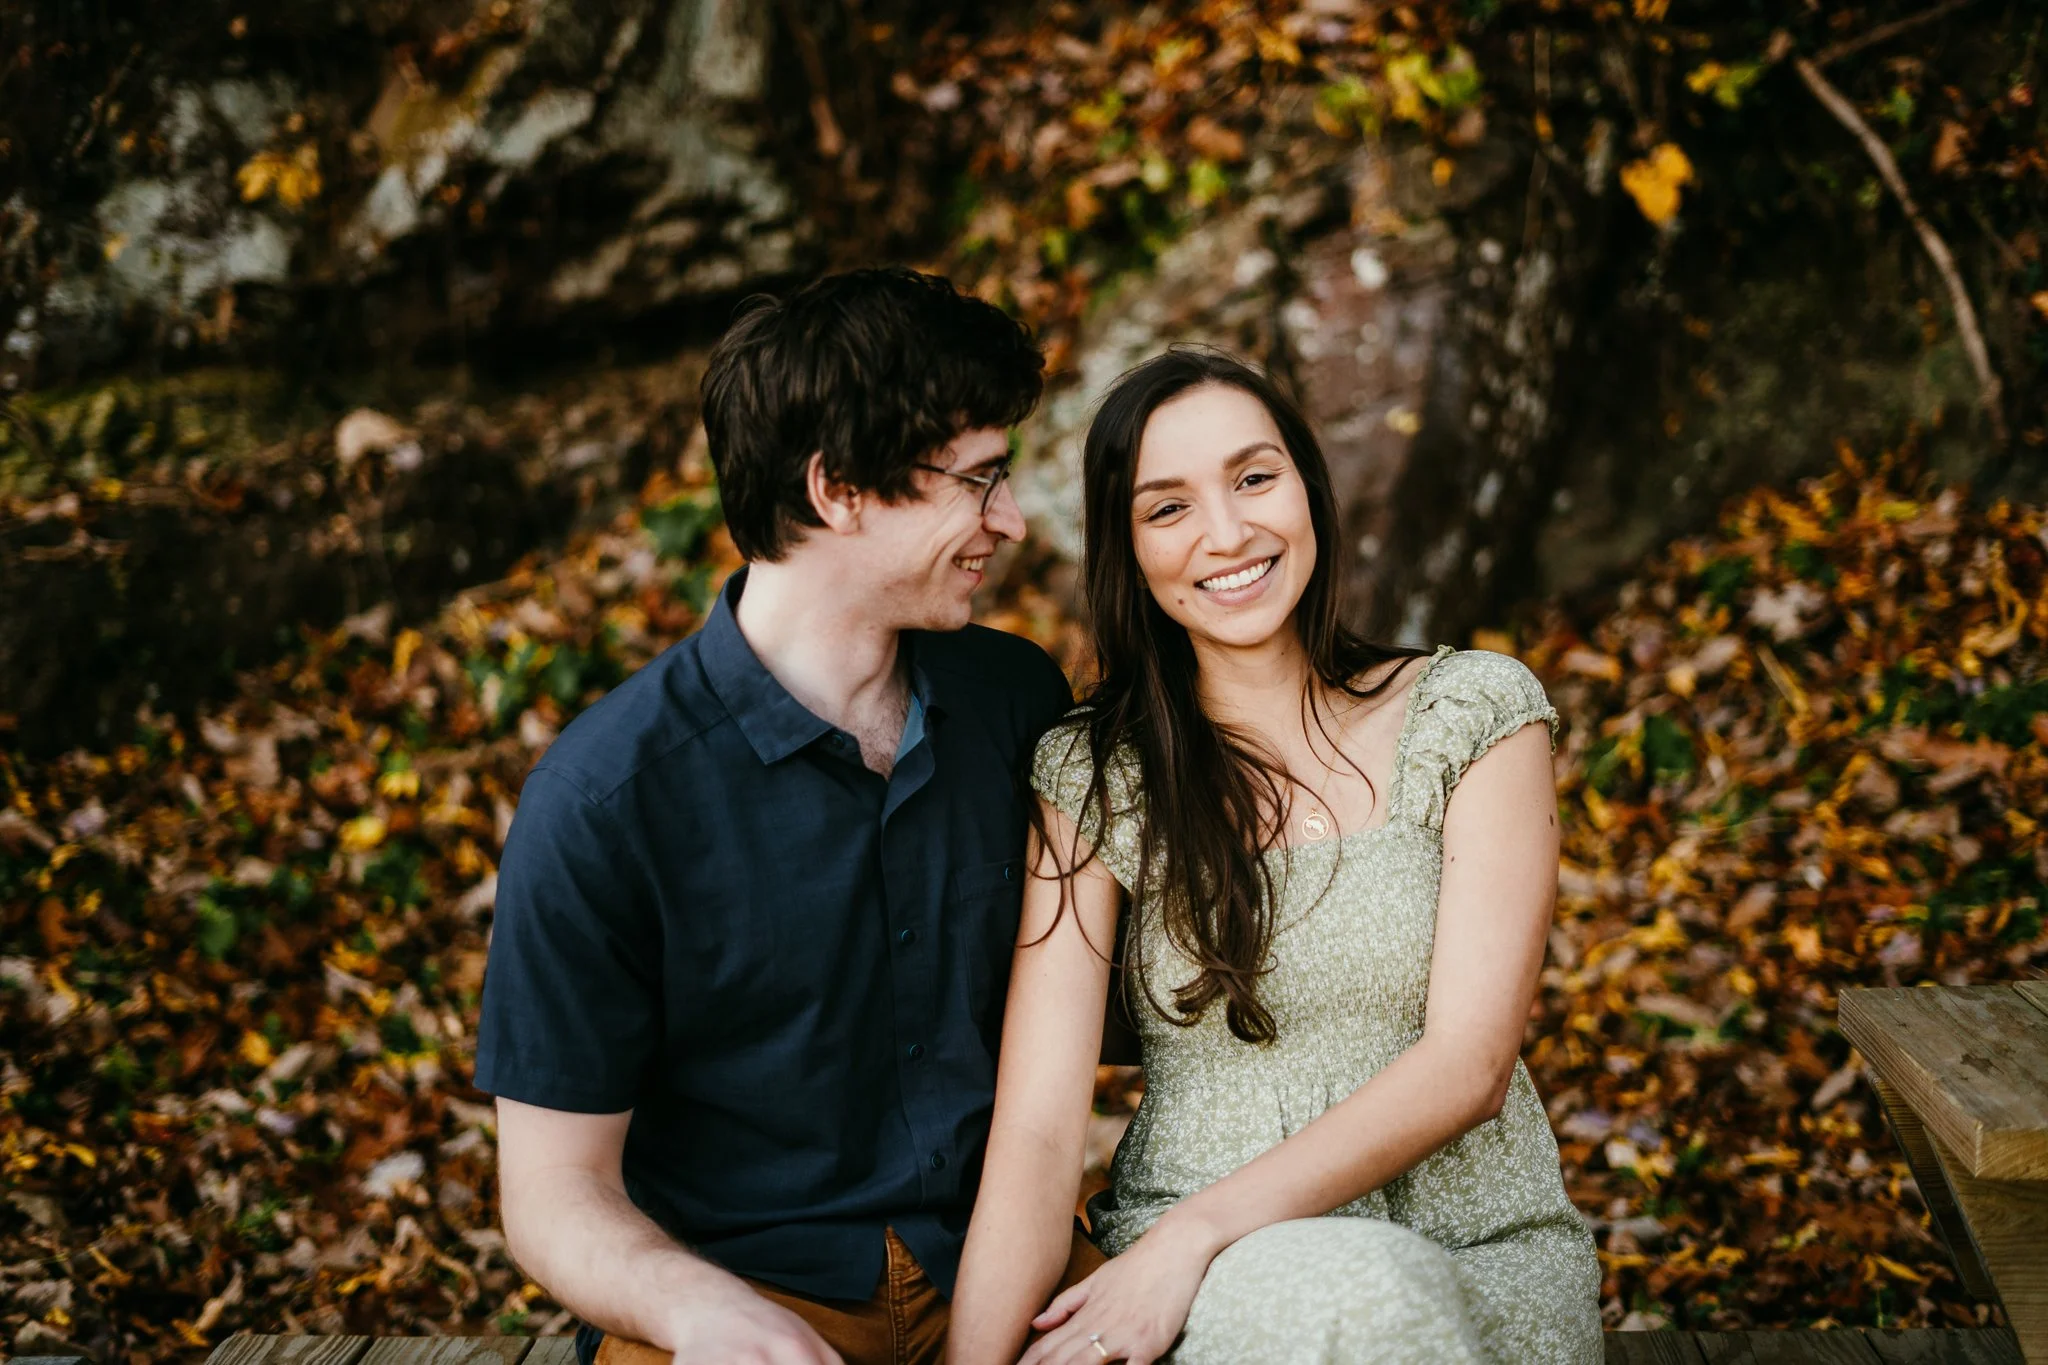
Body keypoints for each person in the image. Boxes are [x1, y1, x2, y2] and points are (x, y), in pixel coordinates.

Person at [473, 267, 1106, 1365]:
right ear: (837, 490)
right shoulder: (603, 799)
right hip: (747, 1303)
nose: (1008, 520)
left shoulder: (1014, 701)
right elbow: (549, 1191)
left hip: (1012, 1262)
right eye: (976, 481)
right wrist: (691, 1310)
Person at [946, 348, 1603, 1365]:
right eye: (1165, 509)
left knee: (1376, 1298)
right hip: (1211, 1301)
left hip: (1478, 1257)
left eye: (1254, 477)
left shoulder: (1469, 714)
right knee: (1349, 1299)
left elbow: (1467, 1066)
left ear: (1307, 486)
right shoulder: (1090, 777)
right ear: (1124, 550)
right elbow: (1035, 1134)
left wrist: (1191, 1233)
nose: (1226, 532)